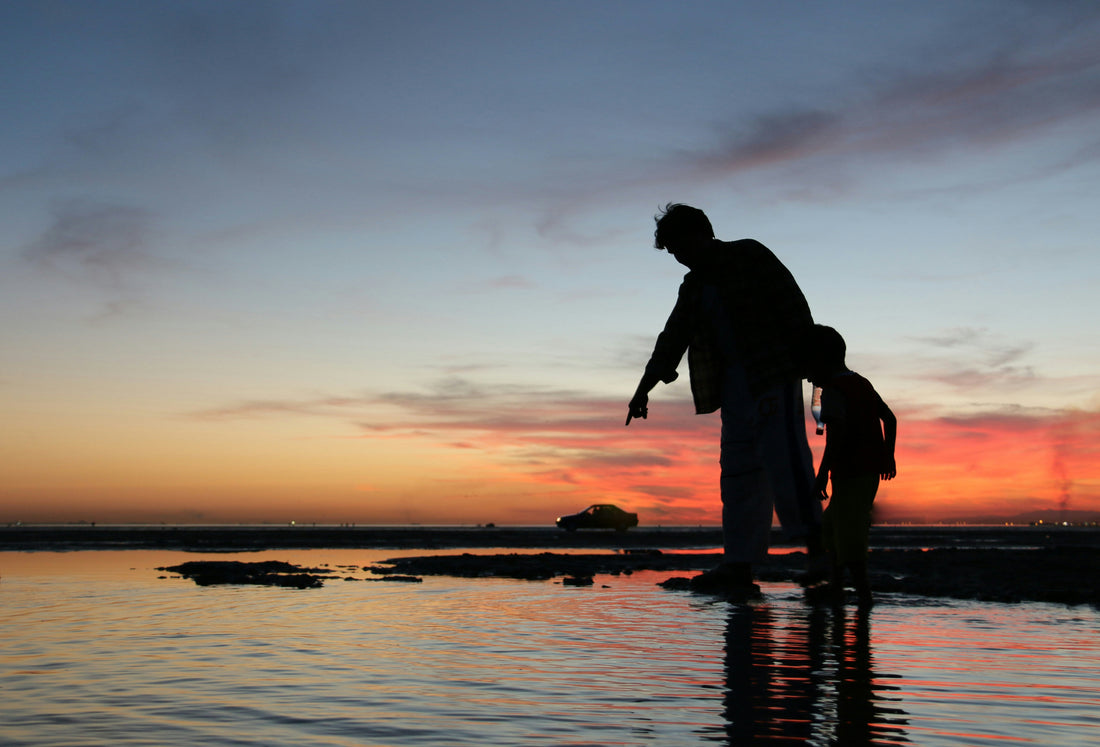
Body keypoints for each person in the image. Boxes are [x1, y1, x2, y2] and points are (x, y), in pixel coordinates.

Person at [627, 203, 822, 595]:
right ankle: (739, 564)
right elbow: (673, 336)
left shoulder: (749, 255)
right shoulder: (694, 285)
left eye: (679, 245)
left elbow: (793, 306)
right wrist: (644, 387)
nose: (679, 256)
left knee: (786, 463)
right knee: (737, 473)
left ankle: (822, 555)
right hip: (734, 390)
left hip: (773, 377)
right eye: (672, 251)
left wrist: (816, 366)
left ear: (701, 232)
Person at [806, 325, 897, 606]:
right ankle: (836, 588)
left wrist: (821, 476)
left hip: (852, 472)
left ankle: (863, 594)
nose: (806, 375)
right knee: (833, 527)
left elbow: (836, 436)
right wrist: (887, 455)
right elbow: (890, 419)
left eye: (807, 364)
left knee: (849, 533)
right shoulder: (861, 383)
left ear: (821, 360)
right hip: (862, 472)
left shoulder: (833, 391)